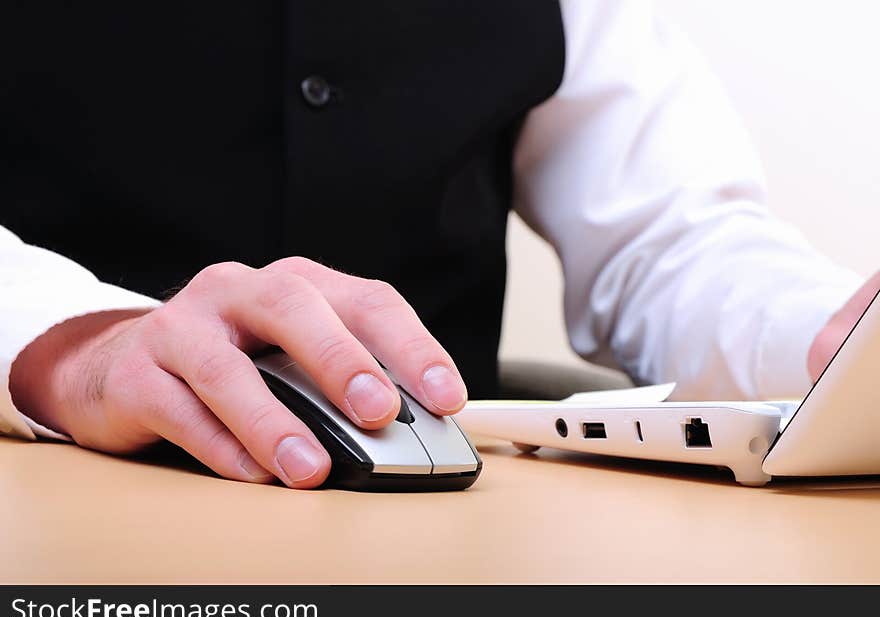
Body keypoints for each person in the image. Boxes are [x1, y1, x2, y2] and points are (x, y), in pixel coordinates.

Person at [0, 1, 871, 489]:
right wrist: (77, 342)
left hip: (453, 540)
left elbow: (669, 235)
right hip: (62, 512)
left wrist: (830, 340)